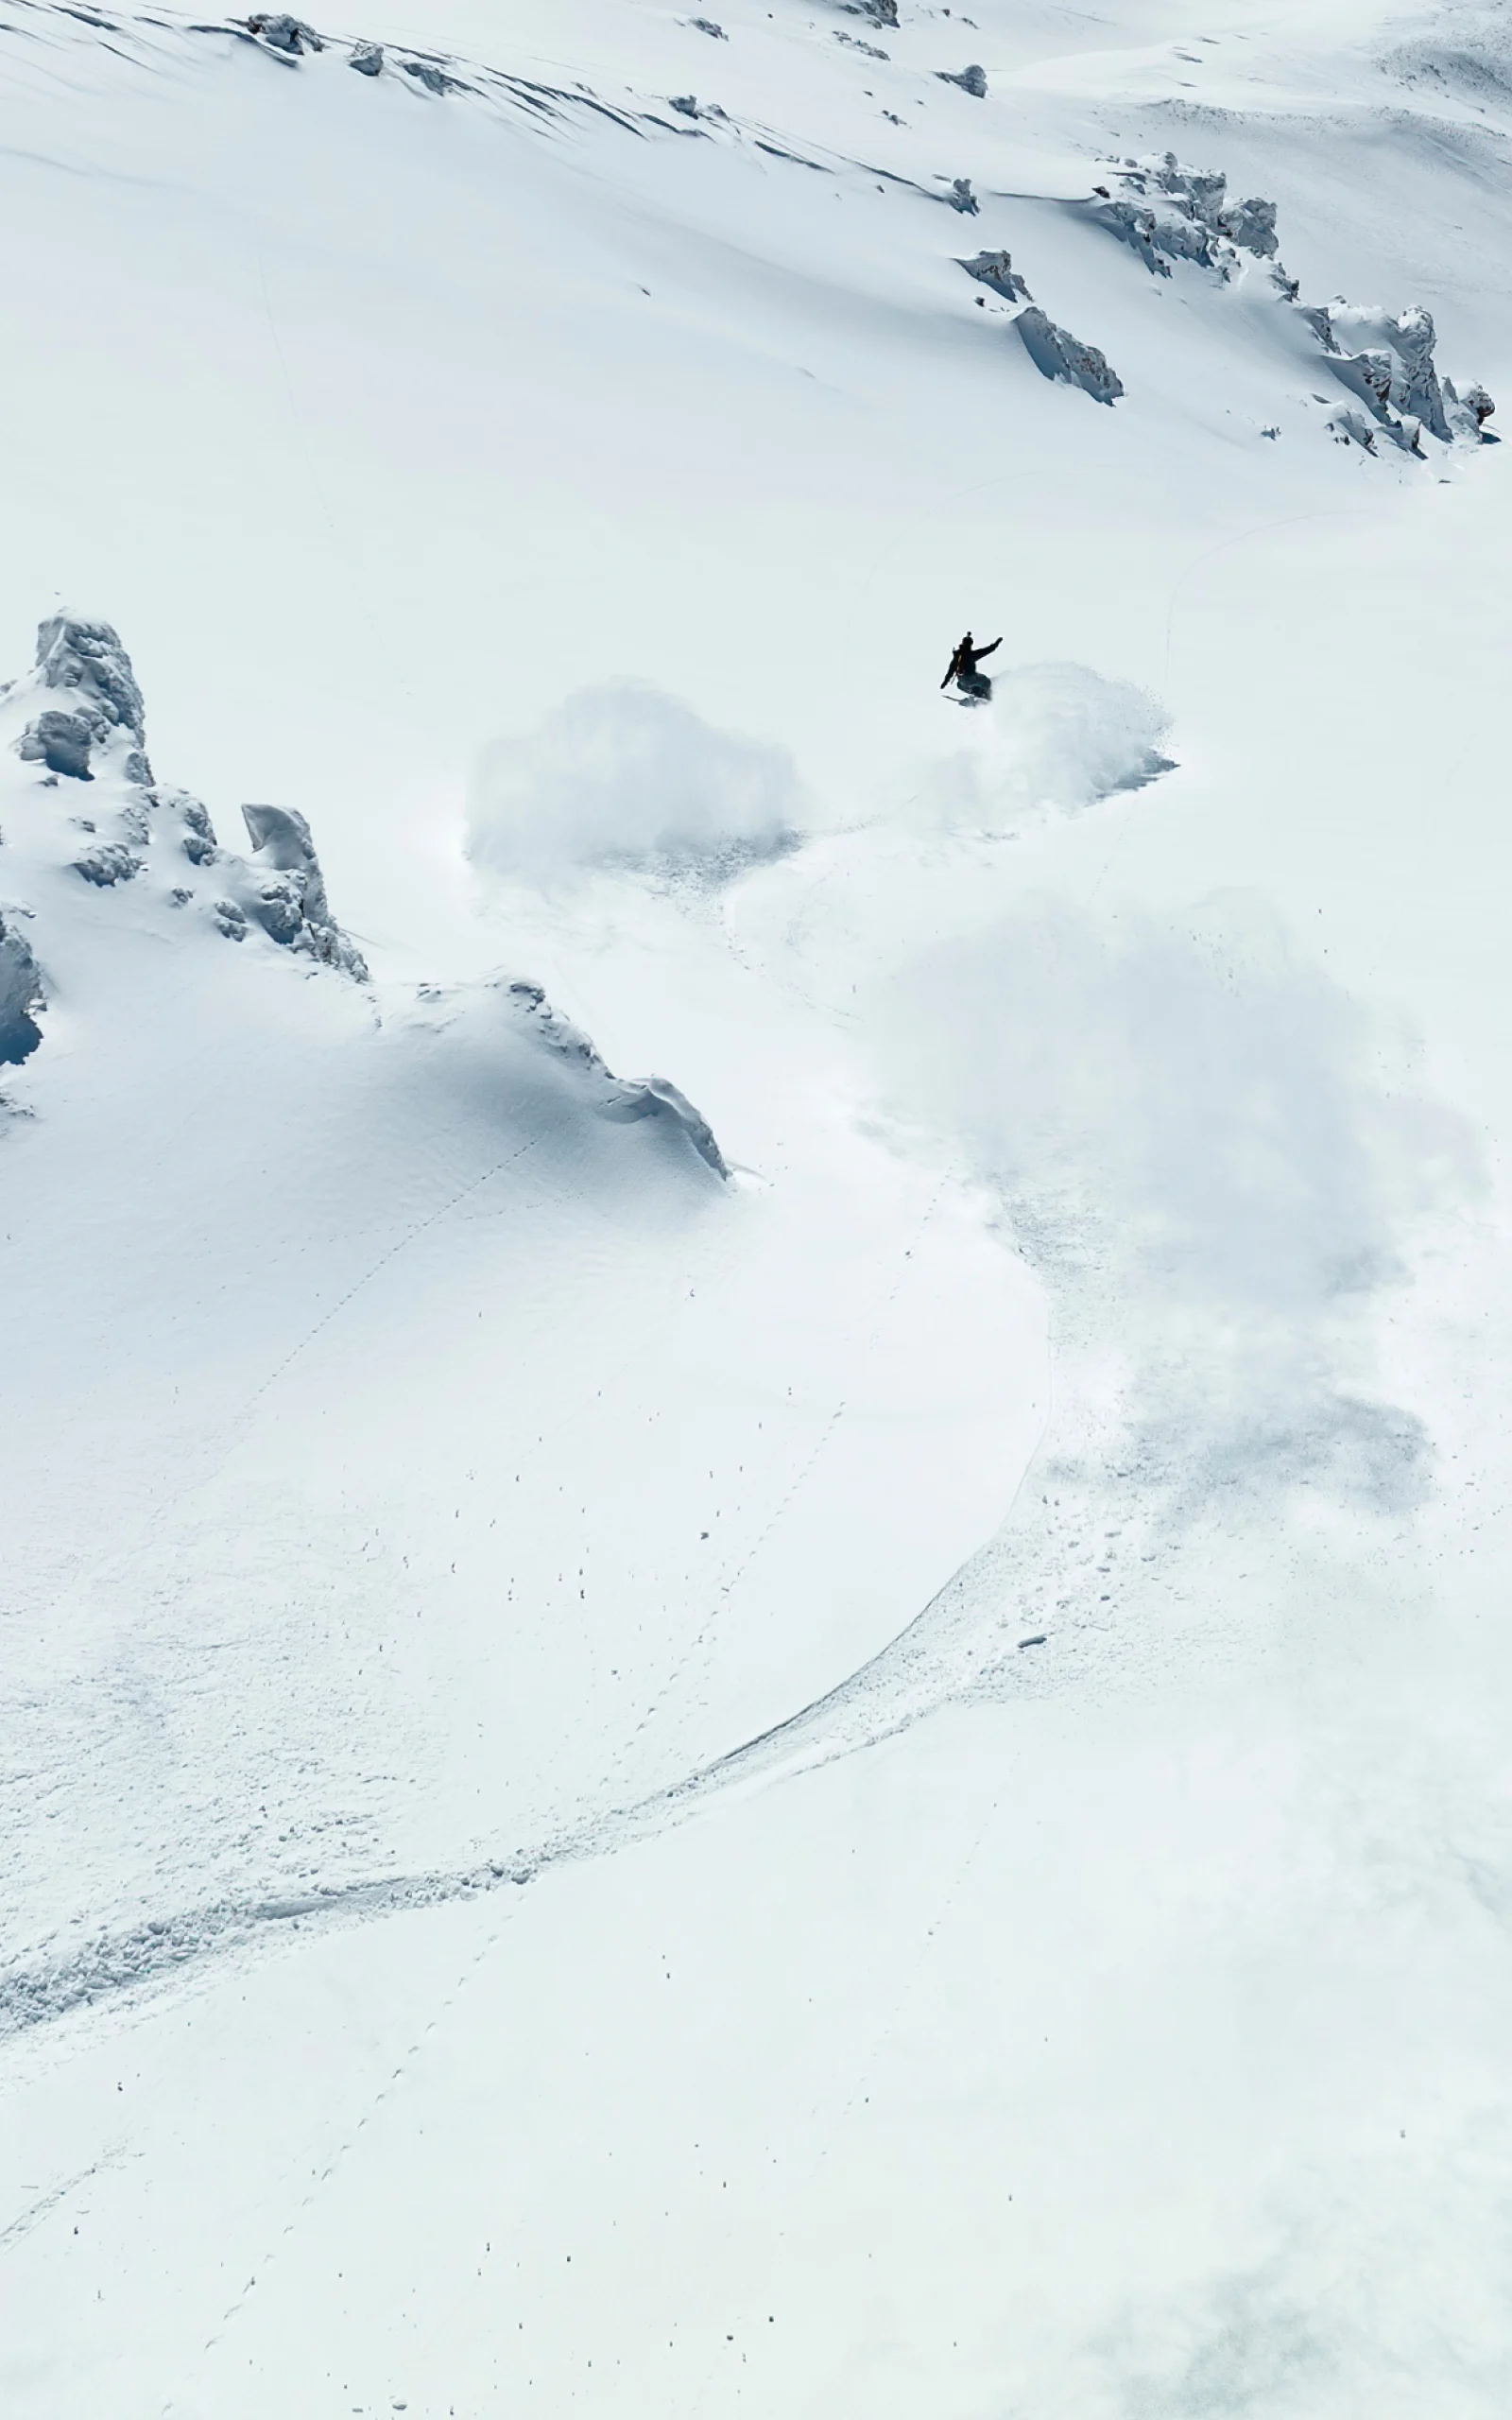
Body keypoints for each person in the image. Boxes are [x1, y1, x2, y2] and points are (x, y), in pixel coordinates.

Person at [941, 630, 1002, 700]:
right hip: (972, 678)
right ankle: (985, 695)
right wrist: (996, 643)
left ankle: (976, 693)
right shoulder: (971, 655)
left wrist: (944, 683)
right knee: (986, 681)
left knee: (959, 685)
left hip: (963, 682)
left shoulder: (956, 657)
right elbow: (987, 650)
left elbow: (950, 672)